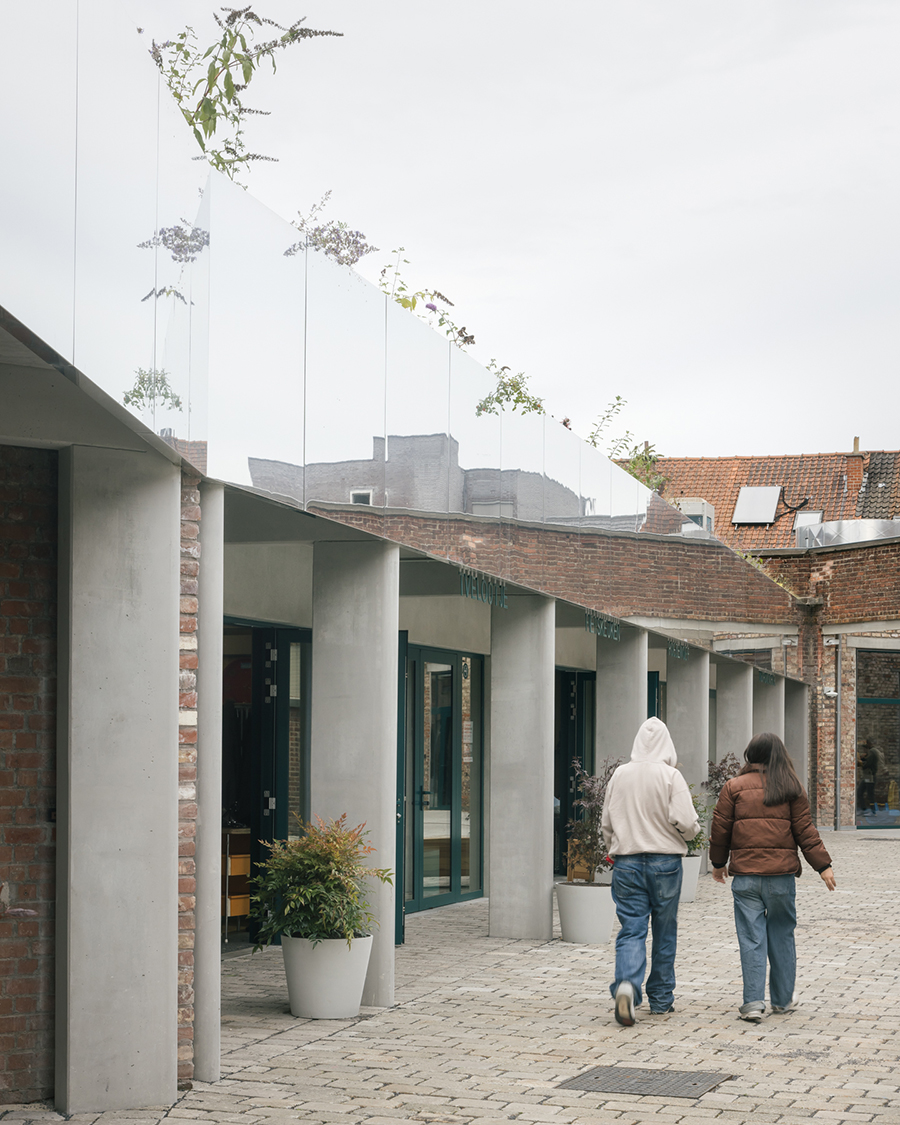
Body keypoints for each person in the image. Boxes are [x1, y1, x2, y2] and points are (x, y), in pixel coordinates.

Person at [710, 732, 836, 1023]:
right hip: (781, 877)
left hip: (746, 879)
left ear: (750, 755)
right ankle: (781, 1000)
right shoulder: (790, 787)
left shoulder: (734, 787)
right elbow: (806, 830)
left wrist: (718, 864)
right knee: (781, 933)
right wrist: (823, 866)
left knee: (751, 939)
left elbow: (720, 830)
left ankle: (753, 1004)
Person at [600, 717, 700, 1026]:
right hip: (665, 863)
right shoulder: (671, 776)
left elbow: (606, 822)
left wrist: (612, 845)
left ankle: (627, 985)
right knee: (665, 930)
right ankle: (660, 1000)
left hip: (627, 862)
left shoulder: (620, 775)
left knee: (632, 929)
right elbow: (687, 822)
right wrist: (688, 834)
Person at [856, 738, 884, 815]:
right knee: (860, 792)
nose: (864, 750)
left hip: (870, 776)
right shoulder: (873, 751)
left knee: (869, 794)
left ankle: (873, 811)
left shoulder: (872, 752)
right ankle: (864, 809)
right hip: (867, 776)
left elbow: (868, 764)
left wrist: (860, 762)